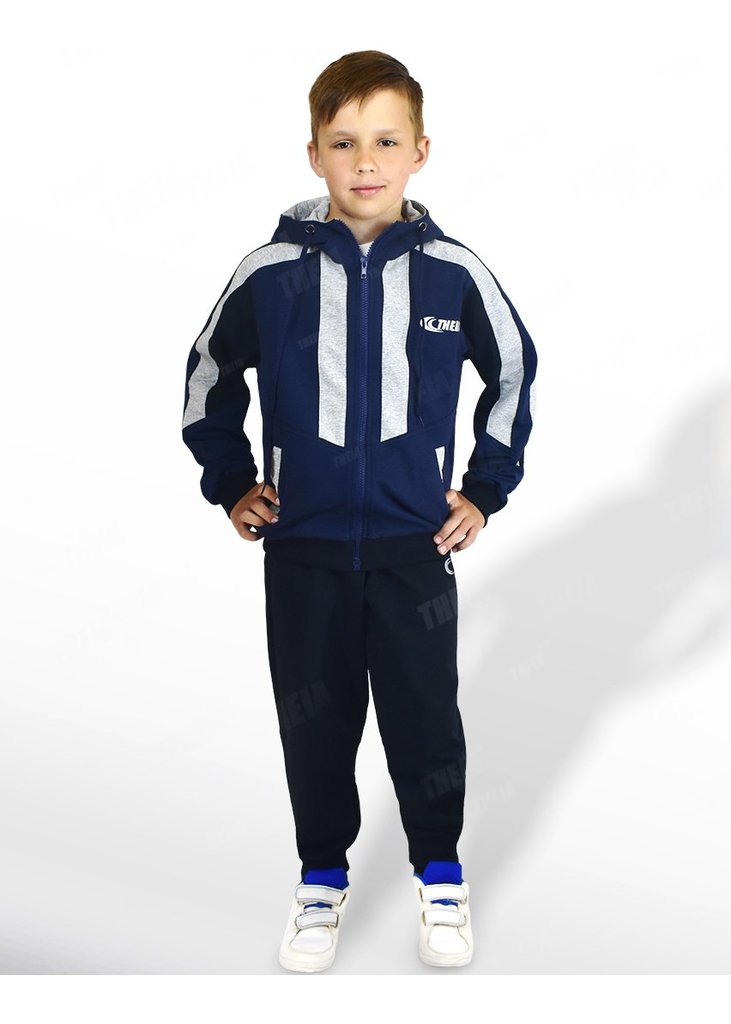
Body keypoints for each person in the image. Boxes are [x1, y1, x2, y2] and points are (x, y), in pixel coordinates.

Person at [181, 49, 537, 972]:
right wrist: (232, 481)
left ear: (420, 151)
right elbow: (210, 374)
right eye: (343, 143)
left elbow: (512, 371)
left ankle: (440, 874)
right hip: (301, 549)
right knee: (315, 723)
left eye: (384, 141)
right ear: (314, 155)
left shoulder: (453, 272)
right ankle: (321, 878)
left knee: (425, 722)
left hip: (413, 550)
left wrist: (483, 489)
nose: (365, 161)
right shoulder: (270, 271)